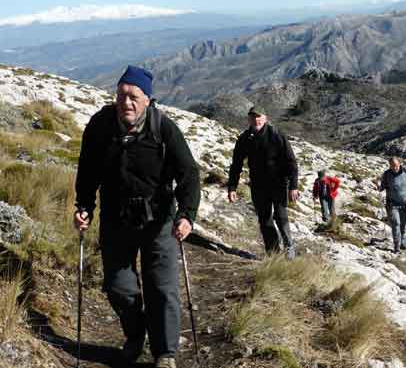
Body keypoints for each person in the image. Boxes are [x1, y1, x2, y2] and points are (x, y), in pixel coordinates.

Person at [73, 65, 200, 368]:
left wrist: (186, 215)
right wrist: (84, 207)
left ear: (147, 100)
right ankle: (135, 335)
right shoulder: (100, 126)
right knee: (119, 286)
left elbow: (189, 176)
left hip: (159, 221)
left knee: (162, 287)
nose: (126, 102)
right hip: (116, 218)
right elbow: (87, 171)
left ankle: (165, 352)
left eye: (133, 96)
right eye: (121, 95)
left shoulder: (163, 129)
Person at [227, 106, 299, 259]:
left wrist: (293, 186)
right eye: (253, 117)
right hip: (258, 186)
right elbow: (236, 164)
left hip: (279, 183)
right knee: (264, 220)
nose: (256, 120)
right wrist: (232, 187)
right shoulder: (245, 138)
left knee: (281, 217)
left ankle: (289, 250)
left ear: (265, 118)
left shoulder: (276, 134)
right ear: (249, 119)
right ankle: (273, 254)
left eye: (259, 117)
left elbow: (291, 161)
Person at [378, 157, 406, 252]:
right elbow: (382, 187)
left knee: (403, 225)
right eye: (392, 166)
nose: (394, 168)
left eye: (395, 166)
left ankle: (403, 242)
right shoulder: (387, 174)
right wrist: (378, 186)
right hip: (392, 204)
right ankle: (397, 246)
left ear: (399, 164)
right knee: (396, 224)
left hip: (405, 204)